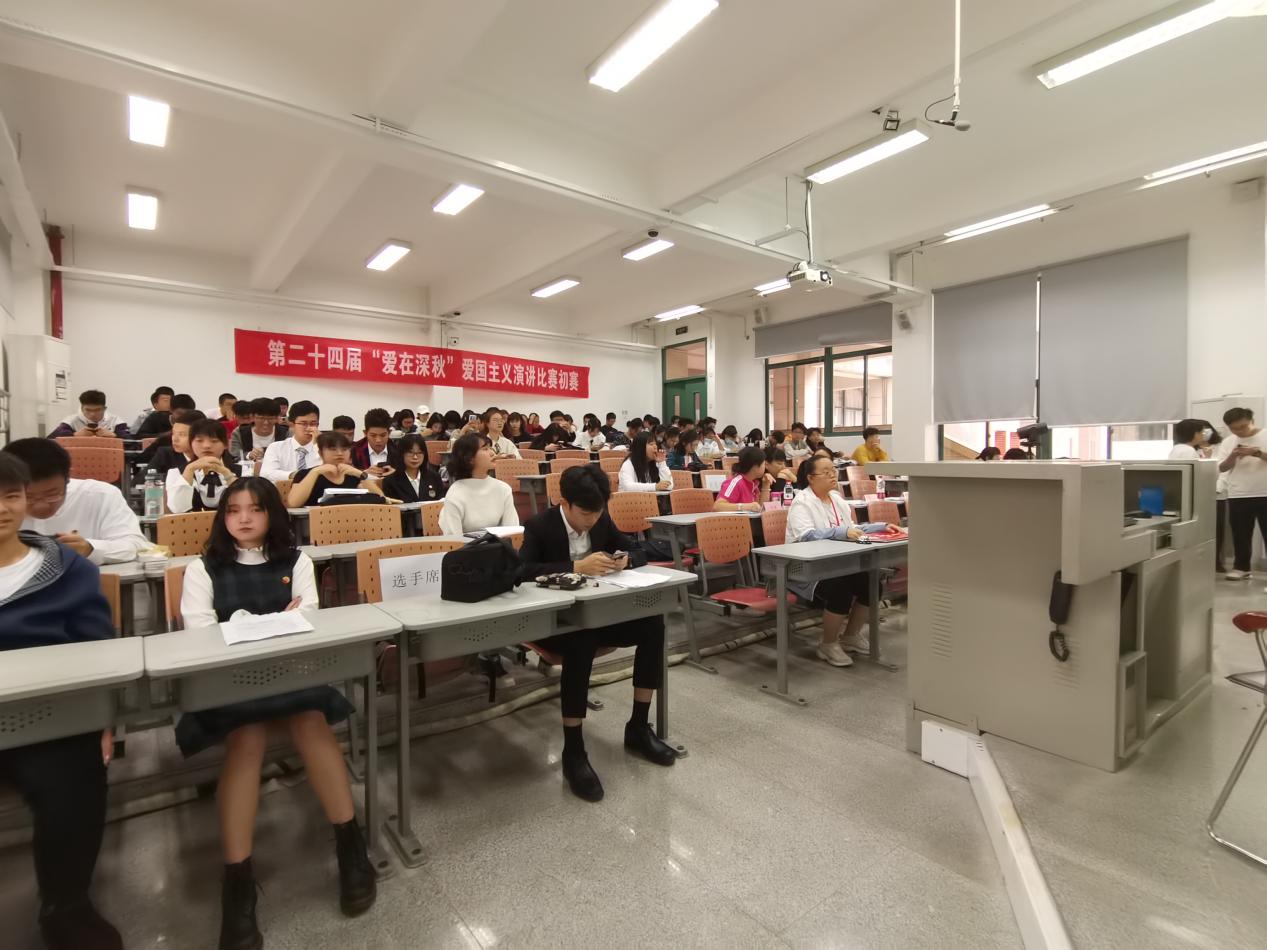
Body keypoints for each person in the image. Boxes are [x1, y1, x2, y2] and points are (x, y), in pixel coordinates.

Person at [178, 478, 375, 947]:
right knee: (247, 736)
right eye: (233, 510)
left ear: (273, 514)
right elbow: (202, 636)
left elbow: (308, 619)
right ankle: (237, 879)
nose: (244, 518)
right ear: (222, 517)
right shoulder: (202, 568)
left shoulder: (296, 560)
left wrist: (239, 623)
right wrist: (274, 621)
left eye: (255, 509)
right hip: (230, 679)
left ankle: (350, 844)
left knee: (311, 722)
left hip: (292, 670)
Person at [0, 453, 123, 950]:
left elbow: (96, 647)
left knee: (74, 782)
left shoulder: (64, 568)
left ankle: (65, 905)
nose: (2, 508)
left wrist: (102, 716)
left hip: (47, 715)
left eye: (10, 496)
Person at [519, 466, 677, 801]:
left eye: (598, 511)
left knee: (653, 625)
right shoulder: (539, 526)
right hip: (554, 623)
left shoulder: (601, 520)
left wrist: (623, 561)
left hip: (596, 614)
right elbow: (522, 572)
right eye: (584, 512)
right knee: (582, 639)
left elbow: (635, 550)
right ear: (564, 502)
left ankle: (638, 727)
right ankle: (573, 750)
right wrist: (575, 567)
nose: (591, 520)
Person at [786, 455, 881, 667]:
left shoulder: (837, 499)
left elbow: (852, 529)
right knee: (840, 590)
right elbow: (806, 536)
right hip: (805, 568)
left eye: (833, 470)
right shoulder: (802, 502)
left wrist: (881, 527)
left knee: (872, 583)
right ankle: (827, 644)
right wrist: (841, 532)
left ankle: (850, 636)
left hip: (835, 563)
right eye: (826, 472)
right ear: (811, 478)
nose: (832, 475)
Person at [4, 438, 147, 565]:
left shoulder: (100, 495)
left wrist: (90, 548)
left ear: (67, 479)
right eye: (29, 497)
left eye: (51, 494)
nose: (40, 506)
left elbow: (136, 545)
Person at [1217, 407, 1267, 580]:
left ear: (1252, 421)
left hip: (1265, 492)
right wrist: (1233, 456)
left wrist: (1257, 453)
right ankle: (1242, 568)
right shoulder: (1228, 442)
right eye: (1234, 428)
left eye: (1243, 426)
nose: (1239, 431)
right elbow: (1222, 468)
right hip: (1238, 493)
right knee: (1240, 534)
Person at [438, 434, 518, 535]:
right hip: (465, 545)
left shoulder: (503, 488)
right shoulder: (456, 493)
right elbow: (453, 538)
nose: (492, 453)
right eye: (485, 449)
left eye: (491, 448)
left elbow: (512, 530)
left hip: (498, 544)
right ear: (469, 458)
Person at [287, 432, 386, 507]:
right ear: (321, 453)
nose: (339, 453)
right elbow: (293, 503)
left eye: (344, 449)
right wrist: (315, 472)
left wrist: (360, 474)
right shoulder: (305, 474)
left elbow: (381, 499)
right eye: (333, 449)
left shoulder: (352, 475)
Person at [166, 419, 237, 513]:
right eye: (199, 440)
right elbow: (177, 509)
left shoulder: (243, 470)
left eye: (214, 441)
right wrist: (189, 470)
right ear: (191, 444)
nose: (206, 446)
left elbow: (248, 502)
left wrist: (228, 475)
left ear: (226, 444)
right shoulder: (176, 473)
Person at [260, 400, 322, 483]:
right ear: (292, 424)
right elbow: (266, 473)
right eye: (303, 423)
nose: (309, 428)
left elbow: (327, 472)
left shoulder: (323, 449)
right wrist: (296, 475)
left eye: (313, 424)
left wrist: (318, 446)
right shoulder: (276, 447)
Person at [382, 435, 446, 502]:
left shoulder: (434, 477)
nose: (415, 457)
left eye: (419, 453)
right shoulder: (390, 482)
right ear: (401, 454)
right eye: (410, 452)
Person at [144, 408, 204, 475]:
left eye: (182, 434)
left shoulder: (208, 453)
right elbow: (141, 478)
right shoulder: (165, 454)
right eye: (173, 433)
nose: (175, 439)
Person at [48, 390, 129, 439]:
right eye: (88, 410)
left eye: (97, 410)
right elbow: (50, 440)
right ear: (82, 408)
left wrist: (114, 435)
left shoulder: (116, 421)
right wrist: (73, 435)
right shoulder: (70, 421)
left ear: (104, 409)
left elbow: (131, 442)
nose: (92, 414)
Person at [714, 447, 773, 512]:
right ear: (755, 466)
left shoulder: (753, 483)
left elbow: (761, 509)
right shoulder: (736, 482)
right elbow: (717, 506)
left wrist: (766, 485)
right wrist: (744, 507)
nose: (765, 467)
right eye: (764, 464)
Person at [229, 398, 286, 465]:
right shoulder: (239, 432)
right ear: (252, 417)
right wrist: (249, 455)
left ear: (277, 418)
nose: (266, 422)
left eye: (270, 418)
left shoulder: (286, 432)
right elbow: (234, 456)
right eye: (261, 418)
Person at [351, 409, 400, 476]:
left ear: (389, 433)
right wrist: (362, 474)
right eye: (373, 435)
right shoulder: (354, 451)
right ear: (365, 433)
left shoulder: (398, 452)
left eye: (383, 435)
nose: (378, 440)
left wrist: (396, 474)